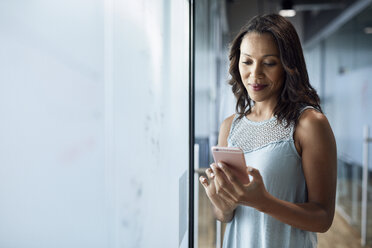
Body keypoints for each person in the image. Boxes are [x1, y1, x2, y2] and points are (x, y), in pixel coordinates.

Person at [199, 14, 337, 248]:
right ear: (236, 62)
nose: (255, 74)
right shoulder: (229, 127)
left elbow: (323, 218)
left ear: (288, 66)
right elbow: (226, 216)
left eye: (269, 62)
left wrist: (264, 202)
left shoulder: (310, 124)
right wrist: (221, 203)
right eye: (247, 61)